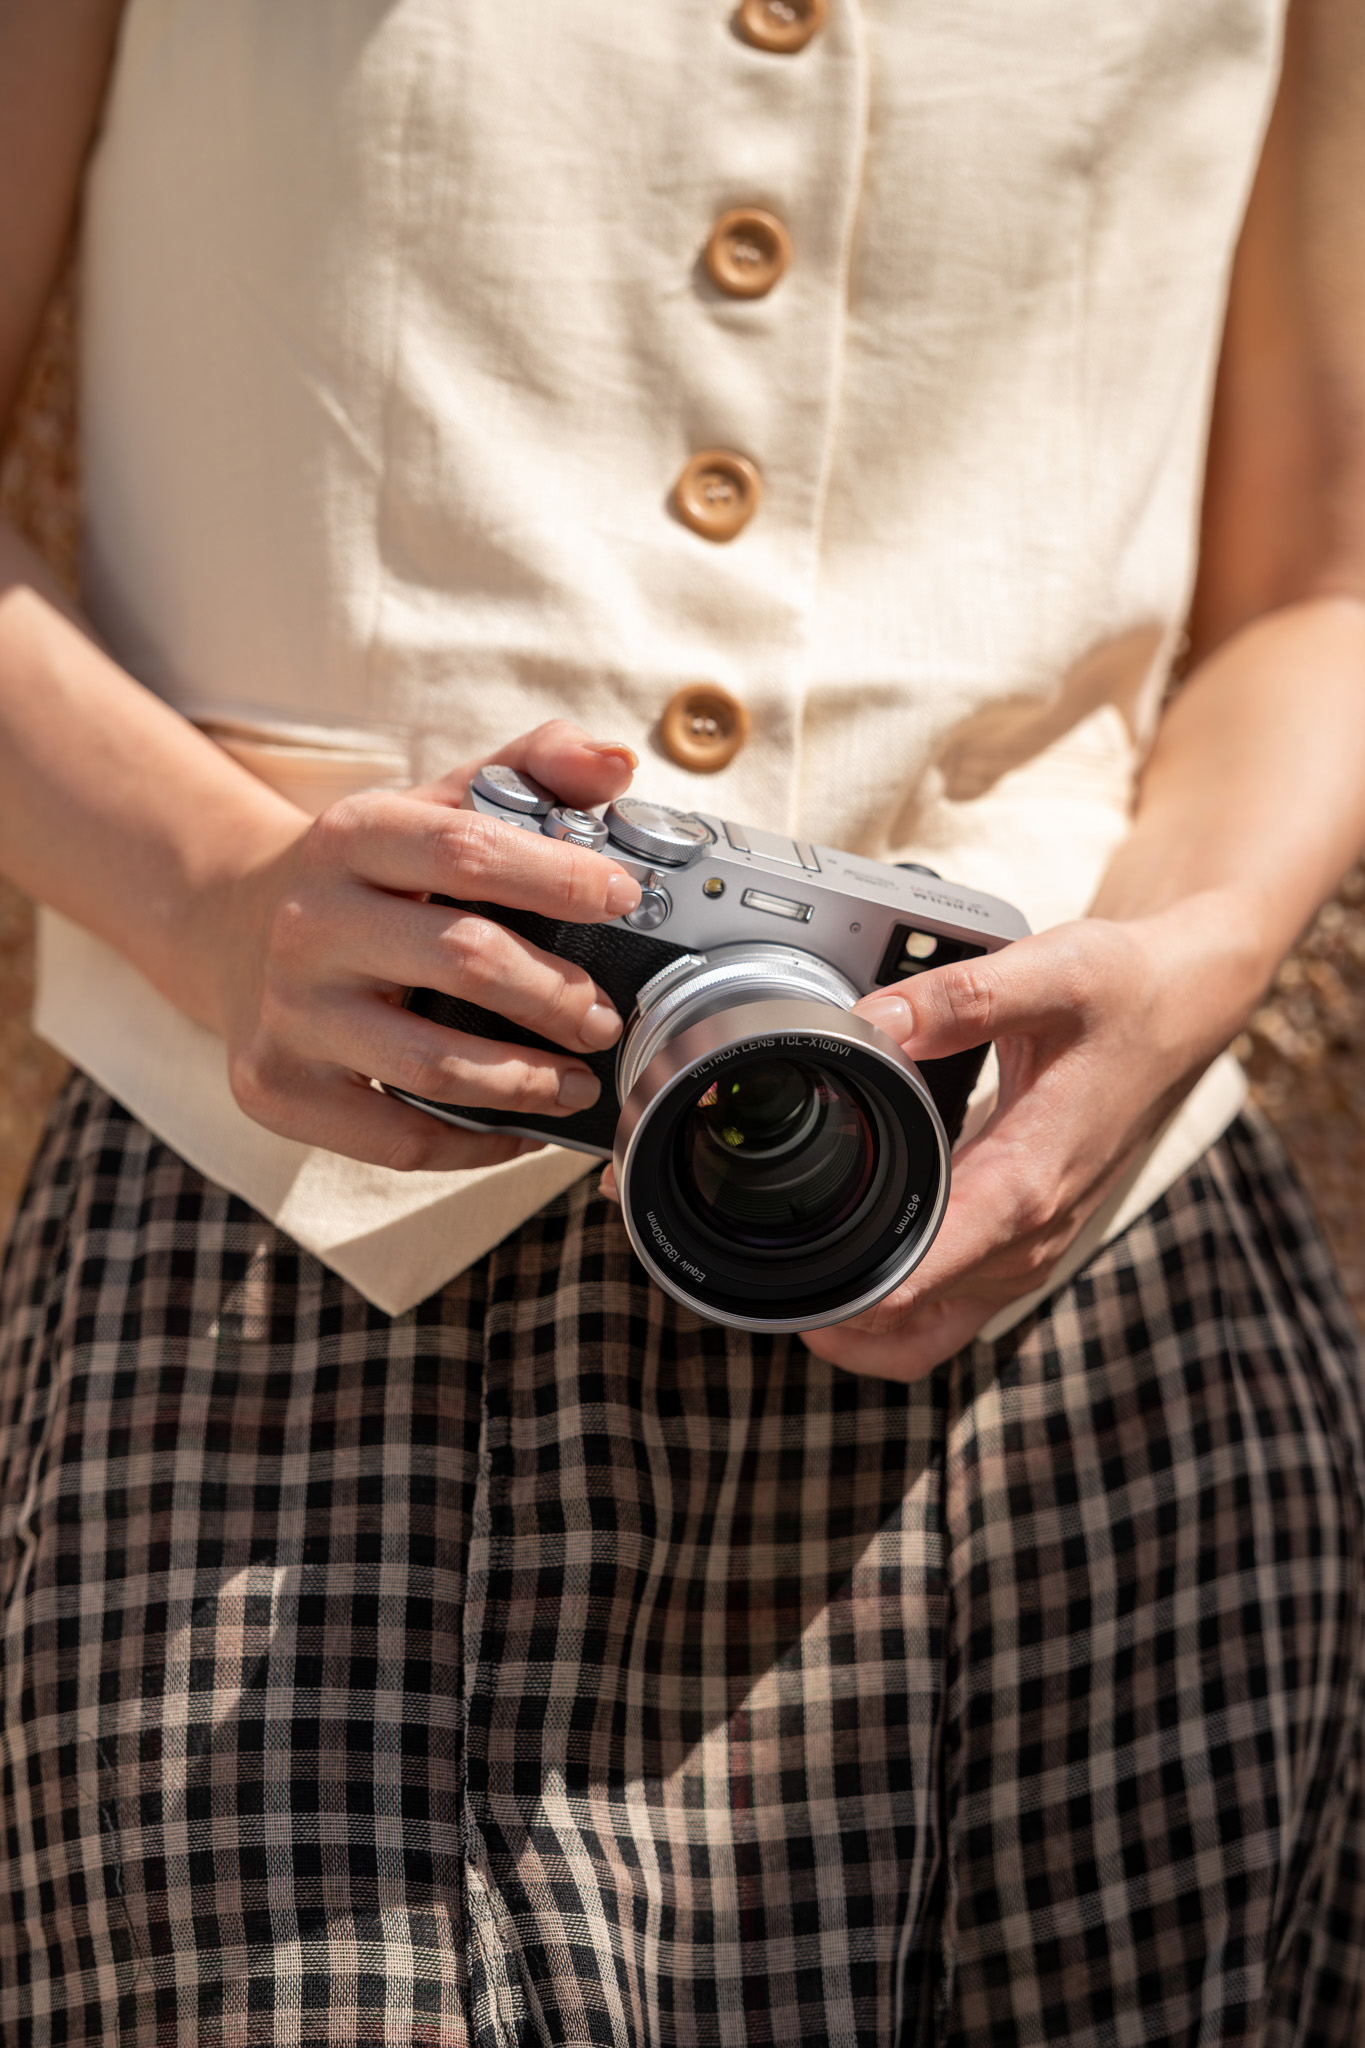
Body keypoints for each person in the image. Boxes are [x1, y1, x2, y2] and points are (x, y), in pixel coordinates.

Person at [2, 0, 1364, 2040]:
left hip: (1074, 1303)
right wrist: (216, 897)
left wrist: (1191, 954)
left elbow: (1319, 580)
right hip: (281, 1287)